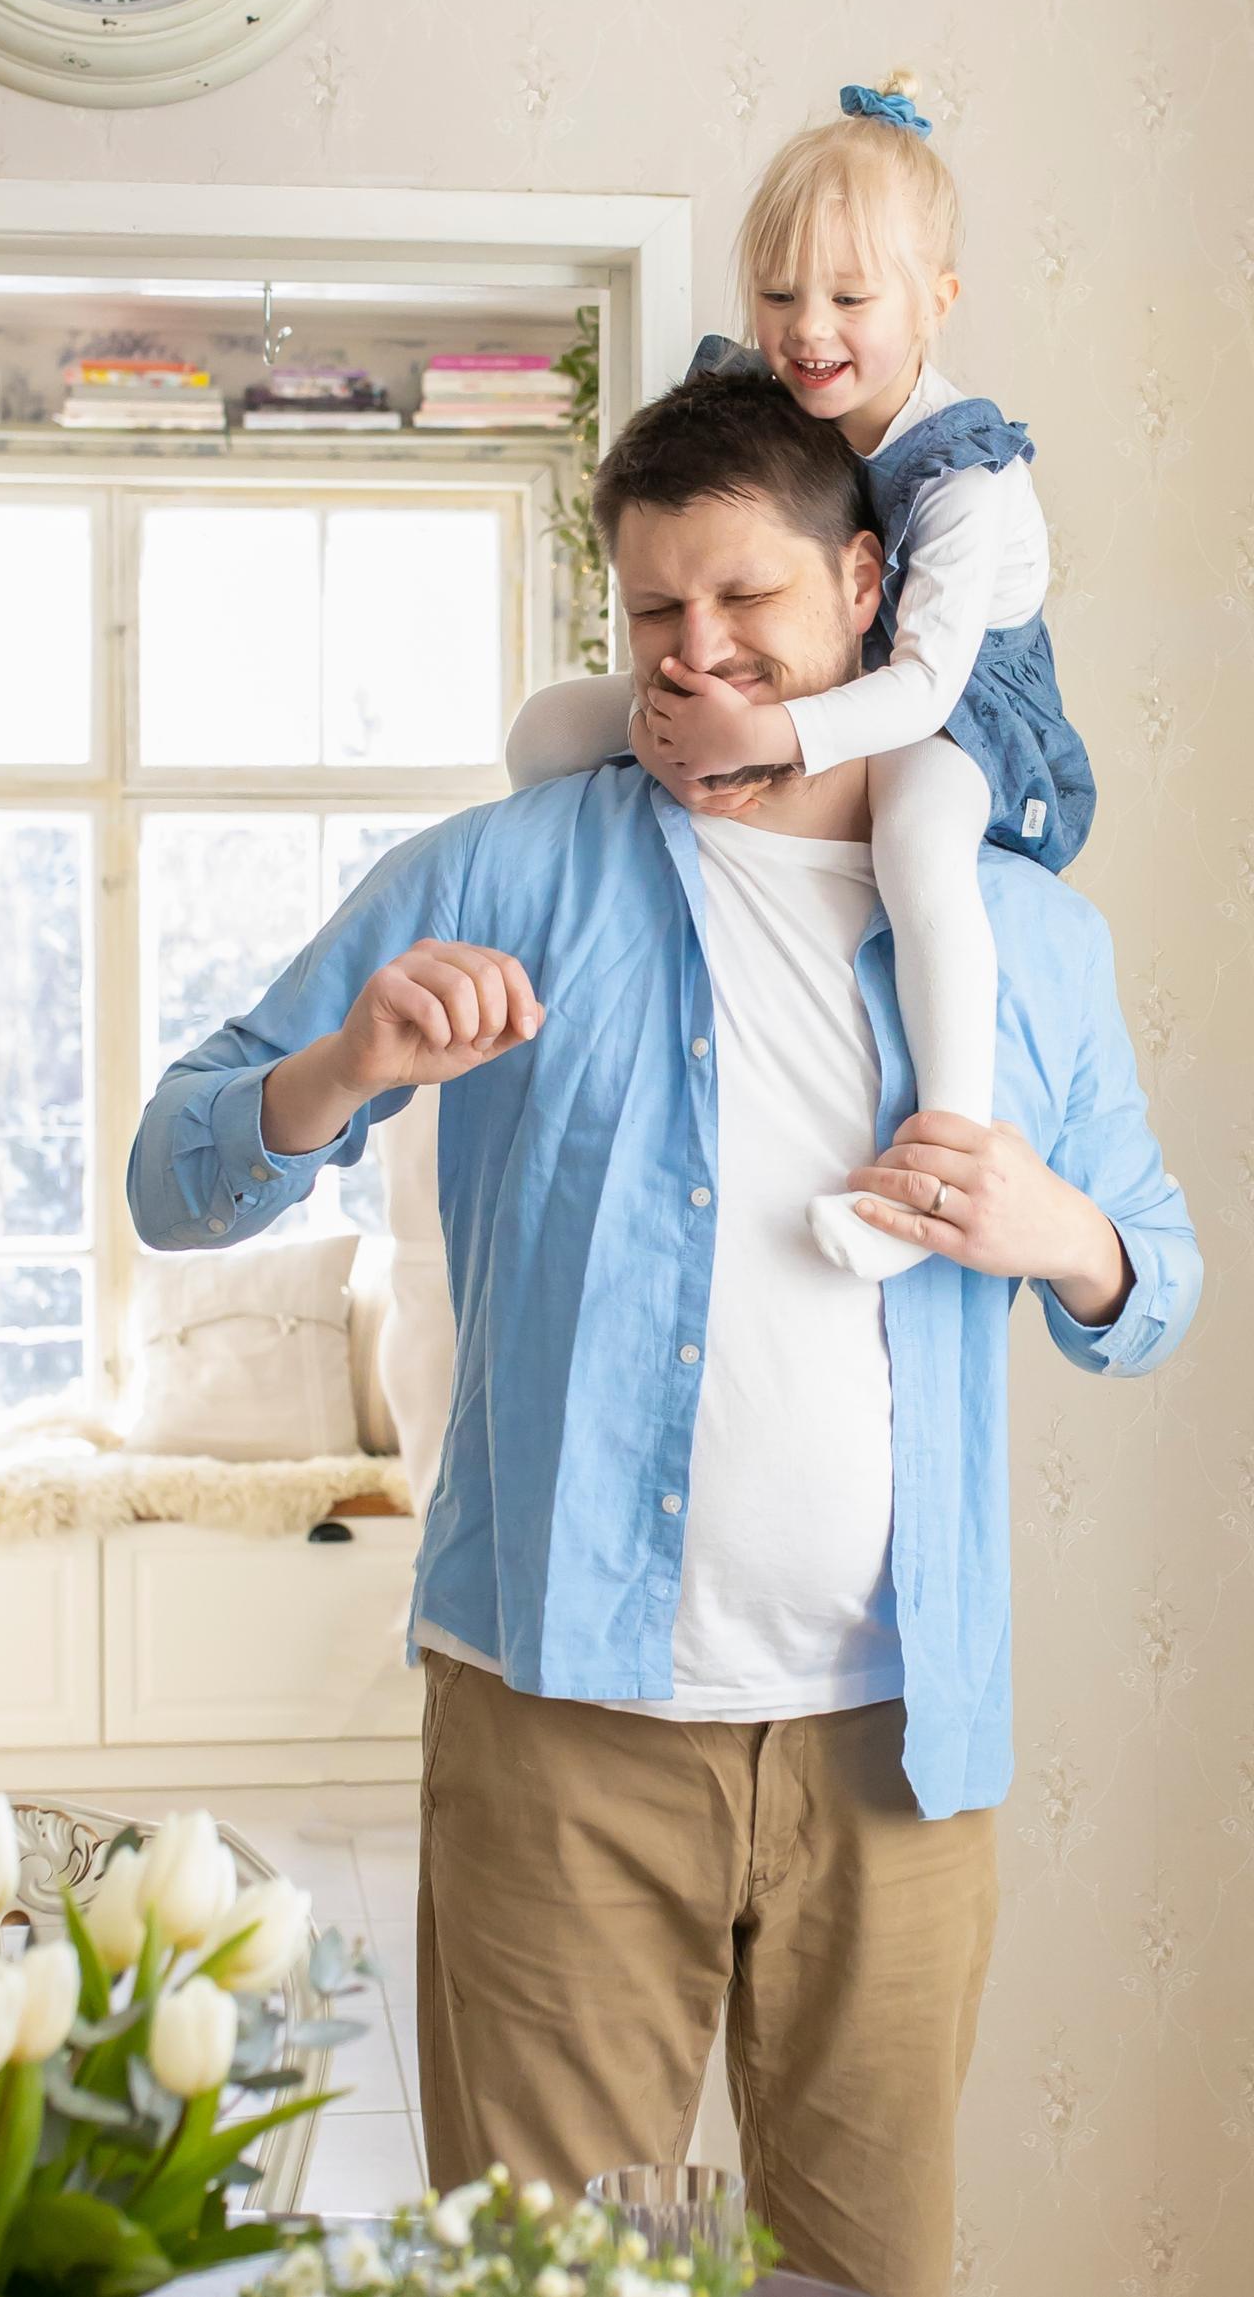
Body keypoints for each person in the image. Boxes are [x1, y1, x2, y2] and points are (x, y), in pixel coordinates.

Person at [127, 368, 1199, 2297]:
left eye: (747, 607)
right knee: (553, 2280)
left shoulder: (1023, 936)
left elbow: (1159, 1282)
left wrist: (1067, 1239)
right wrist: (346, 1063)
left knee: (869, 2274)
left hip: (894, 1743)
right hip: (563, 1731)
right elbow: (171, 1170)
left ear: (866, 588)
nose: (693, 659)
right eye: (652, 617)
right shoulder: (512, 865)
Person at [509, 72, 1093, 1290]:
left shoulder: (965, 477)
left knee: (922, 841)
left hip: (959, 701)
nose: (806, 327)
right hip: (828, 673)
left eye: (848, 296)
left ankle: (942, 1161)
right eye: (778, 295)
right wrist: (683, 718)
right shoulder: (788, 407)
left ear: (934, 305)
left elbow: (925, 690)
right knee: (548, 728)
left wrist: (767, 733)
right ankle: (627, 847)